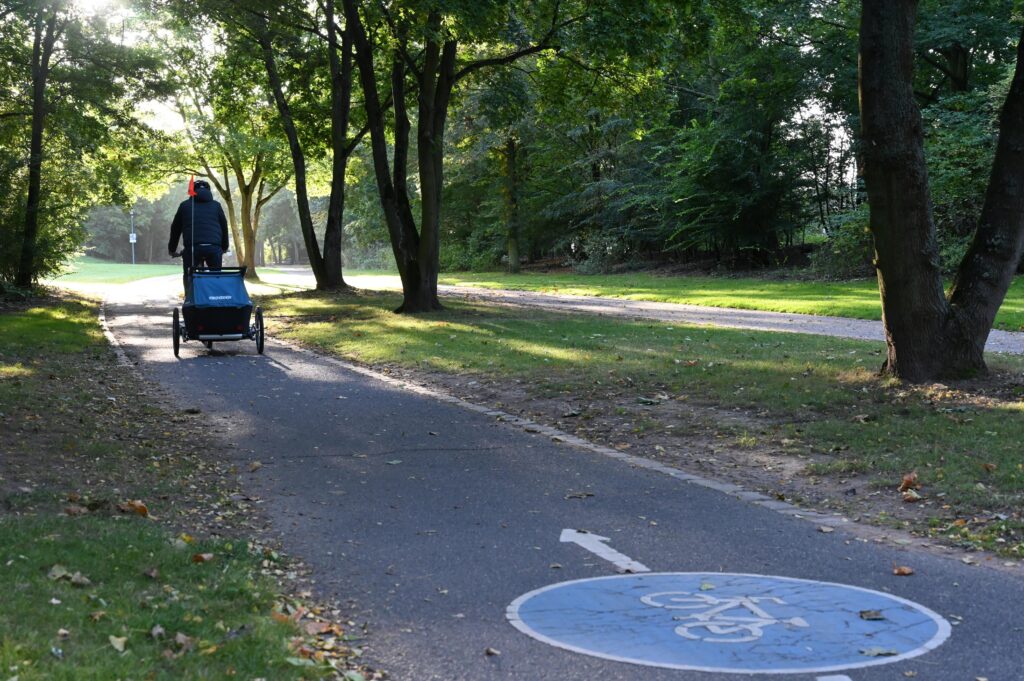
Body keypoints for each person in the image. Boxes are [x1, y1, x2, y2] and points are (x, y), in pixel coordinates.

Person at [167, 179, 229, 292]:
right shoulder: (216, 206)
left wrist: (172, 249)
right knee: (216, 276)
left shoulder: (185, 205)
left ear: (192, 191)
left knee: (189, 275)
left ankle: (189, 300)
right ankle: (216, 300)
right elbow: (224, 227)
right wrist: (224, 247)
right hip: (213, 247)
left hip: (193, 248)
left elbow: (175, 229)